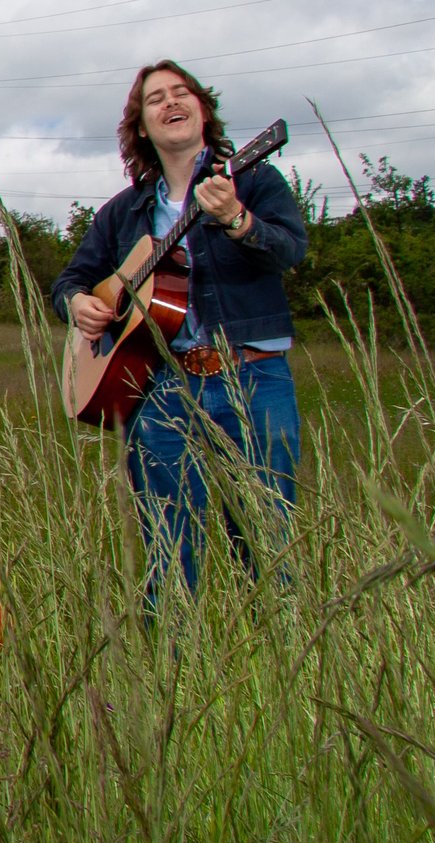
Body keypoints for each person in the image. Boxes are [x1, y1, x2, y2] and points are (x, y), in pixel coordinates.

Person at [51, 60, 307, 610]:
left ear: (202, 109)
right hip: (163, 386)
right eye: (155, 98)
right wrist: (78, 304)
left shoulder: (252, 179)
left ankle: (288, 669)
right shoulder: (125, 212)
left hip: (255, 379)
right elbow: (71, 279)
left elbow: (291, 250)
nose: (172, 102)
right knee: (168, 547)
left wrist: (238, 220)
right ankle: (171, 675)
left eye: (181, 92)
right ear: (141, 126)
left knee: (268, 540)